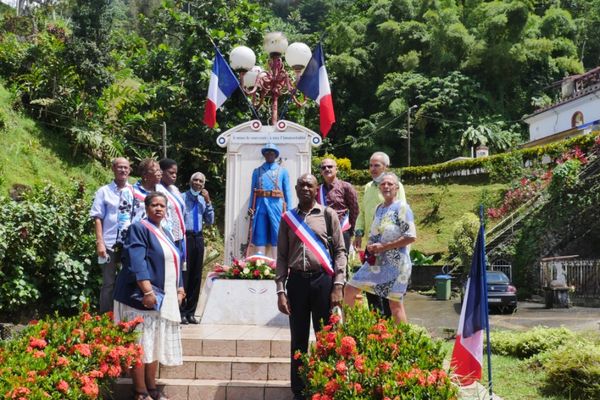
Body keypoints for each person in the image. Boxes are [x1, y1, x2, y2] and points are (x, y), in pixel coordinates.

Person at [276, 174, 346, 400]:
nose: (305, 188)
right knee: (298, 338)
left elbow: (340, 252)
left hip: (322, 282)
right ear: (296, 189)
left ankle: (326, 386)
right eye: (302, 185)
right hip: (296, 283)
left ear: (317, 189)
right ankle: (299, 390)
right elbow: (282, 256)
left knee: (325, 337)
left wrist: (338, 285)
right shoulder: (288, 219)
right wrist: (280, 290)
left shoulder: (328, 214)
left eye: (310, 185)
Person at [113, 192, 185, 400]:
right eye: (154, 205)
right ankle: (140, 391)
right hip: (141, 298)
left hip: (162, 298)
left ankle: (152, 387)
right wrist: (147, 291)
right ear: (146, 208)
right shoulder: (139, 229)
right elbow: (137, 261)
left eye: (162, 206)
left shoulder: (167, 233)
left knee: (153, 343)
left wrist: (179, 288)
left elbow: (175, 261)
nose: (159, 209)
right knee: (140, 344)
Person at [344, 173, 416, 324]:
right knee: (350, 288)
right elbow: (377, 234)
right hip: (377, 263)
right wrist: (370, 246)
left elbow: (411, 236)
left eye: (390, 184)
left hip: (397, 264)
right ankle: (349, 330)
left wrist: (384, 247)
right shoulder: (379, 208)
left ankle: (401, 341)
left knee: (395, 304)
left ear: (397, 187)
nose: (386, 186)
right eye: (383, 184)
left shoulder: (402, 207)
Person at [353, 151, 407, 317]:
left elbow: (402, 213)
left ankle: (391, 332)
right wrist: (359, 232)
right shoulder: (368, 187)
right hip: (372, 247)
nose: (373, 169)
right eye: (371, 165)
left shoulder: (395, 186)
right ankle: (377, 330)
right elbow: (363, 212)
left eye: (377, 165)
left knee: (390, 294)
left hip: (390, 248)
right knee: (372, 290)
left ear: (386, 167)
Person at [90, 157, 133, 313]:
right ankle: (105, 317)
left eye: (125, 167)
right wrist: (99, 242)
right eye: (119, 167)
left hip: (128, 243)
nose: (122, 170)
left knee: (128, 281)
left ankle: (125, 318)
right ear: (113, 169)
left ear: (129, 170)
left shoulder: (133, 191)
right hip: (109, 243)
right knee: (108, 282)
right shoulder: (104, 191)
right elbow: (97, 217)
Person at [248, 143, 293, 259]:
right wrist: (250, 208)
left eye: (272, 152)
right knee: (260, 232)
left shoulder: (282, 171)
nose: (269, 155)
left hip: (276, 206)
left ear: (276, 155)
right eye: (267, 152)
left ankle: (277, 264)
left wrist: (289, 211)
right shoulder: (257, 171)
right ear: (264, 155)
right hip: (260, 205)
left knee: (277, 232)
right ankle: (260, 265)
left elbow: (287, 192)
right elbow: (252, 191)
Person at [181, 172, 214, 324]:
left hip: (198, 238)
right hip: (185, 237)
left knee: (196, 275)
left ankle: (191, 312)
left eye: (201, 181)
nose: (198, 183)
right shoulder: (182, 197)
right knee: (185, 274)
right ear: (190, 181)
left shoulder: (202, 200)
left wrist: (208, 202)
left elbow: (210, 220)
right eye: (195, 180)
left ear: (204, 184)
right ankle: (181, 311)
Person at [317, 157, 359, 252]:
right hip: (323, 232)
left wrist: (350, 230)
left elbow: (354, 209)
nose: (327, 169)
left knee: (342, 261)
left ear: (336, 169)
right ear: (321, 171)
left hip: (342, 230)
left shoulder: (346, 187)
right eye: (323, 167)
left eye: (330, 166)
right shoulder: (318, 190)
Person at [159, 158, 186, 259]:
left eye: (176, 173)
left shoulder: (174, 189)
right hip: (166, 236)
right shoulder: (157, 189)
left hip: (179, 235)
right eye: (171, 172)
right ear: (161, 172)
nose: (174, 176)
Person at [132, 159, 167, 223]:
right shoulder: (132, 191)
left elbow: (167, 215)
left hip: (158, 231)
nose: (159, 174)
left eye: (159, 170)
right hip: (139, 231)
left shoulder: (162, 191)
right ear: (145, 174)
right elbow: (124, 217)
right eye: (156, 171)